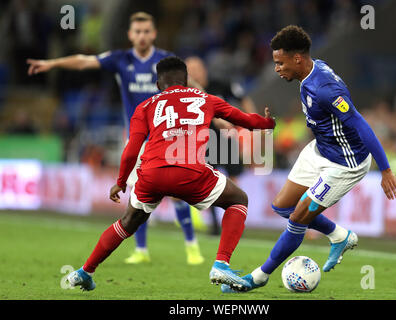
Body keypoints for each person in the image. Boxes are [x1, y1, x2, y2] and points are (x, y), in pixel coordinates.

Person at [66, 56, 276, 291]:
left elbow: (131, 150)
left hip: (152, 175)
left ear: (157, 84)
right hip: (190, 173)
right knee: (238, 200)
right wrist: (267, 123)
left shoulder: (145, 107)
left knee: (127, 222)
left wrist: (121, 182)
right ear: (186, 81)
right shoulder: (206, 99)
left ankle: (84, 271)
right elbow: (245, 120)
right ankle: (221, 264)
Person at [221, 25, 396, 293]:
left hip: (344, 163)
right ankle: (339, 236)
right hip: (320, 149)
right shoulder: (311, 72)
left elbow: (361, 124)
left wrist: (385, 169)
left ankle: (257, 277)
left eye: (280, 63)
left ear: (297, 59)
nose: (277, 69)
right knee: (282, 206)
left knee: (297, 218)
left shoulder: (325, 89)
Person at [27, 12, 204, 266]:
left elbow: (193, 84)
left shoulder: (165, 60)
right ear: (130, 35)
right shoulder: (121, 60)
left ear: (153, 34)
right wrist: (53, 64)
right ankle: (141, 250)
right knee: (138, 194)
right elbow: (83, 61)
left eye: (146, 31)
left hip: (168, 136)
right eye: (137, 32)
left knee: (178, 192)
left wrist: (213, 108)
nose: (142, 36)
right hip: (137, 139)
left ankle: (191, 247)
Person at [185, 56, 257, 235]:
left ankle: (235, 219)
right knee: (208, 184)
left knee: (234, 181)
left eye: (196, 68)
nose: (194, 73)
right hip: (203, 144)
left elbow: (243, 98)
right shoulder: (185, 94)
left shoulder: (221, 84)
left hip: (227, 140)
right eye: (189, 70)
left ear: (204, 69)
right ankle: (215, 224)